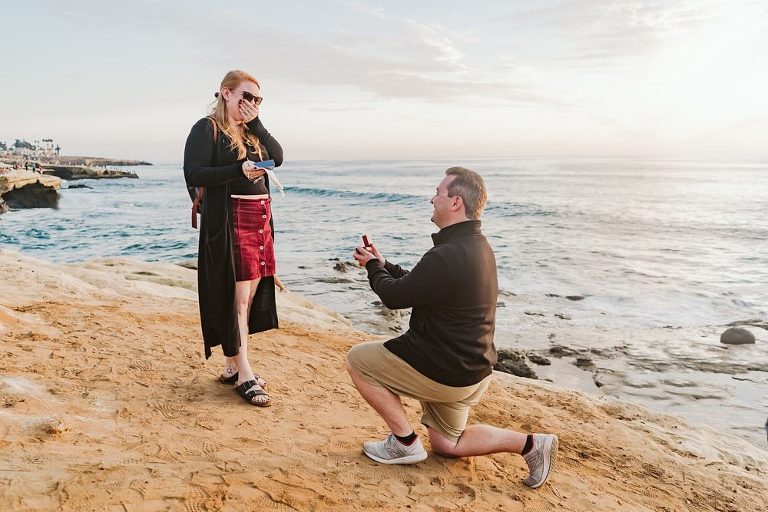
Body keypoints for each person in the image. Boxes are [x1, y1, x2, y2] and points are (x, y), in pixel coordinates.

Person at [347, 167, 558, 488]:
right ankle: (531, 445)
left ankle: (403, 443)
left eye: (438, 193)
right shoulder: (477, 246)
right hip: (473, 372)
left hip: (443, 370)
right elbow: (421, 283)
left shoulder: (447, 253)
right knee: (448, 446)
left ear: (456, 202)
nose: (432, 199)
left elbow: (393, 296)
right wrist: (384, 264)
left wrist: (373, 268)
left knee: (357, 359)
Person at [183, 70, 283, 407]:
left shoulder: (251, 132)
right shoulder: (206, 128)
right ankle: (245, 375)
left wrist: (257, 124)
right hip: (231, 220)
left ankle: (231, 364)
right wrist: (238, 169)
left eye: (258, 99)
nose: (252, 104)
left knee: (249, 298)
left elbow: (278, 157)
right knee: (238, 300)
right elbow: (195, 173)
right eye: (247, 96)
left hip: (259, 220)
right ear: (226, 93)